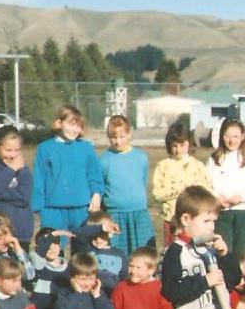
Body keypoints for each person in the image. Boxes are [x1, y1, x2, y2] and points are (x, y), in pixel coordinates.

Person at [31, 105, 104, 251]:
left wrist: (96, 194)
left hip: (81, 209)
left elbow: (94, 175)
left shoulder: (86, 148)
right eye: (71, 124)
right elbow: (39, 179)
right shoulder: (45, 148)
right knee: (51, 251)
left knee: (84, 251)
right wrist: (38, 207)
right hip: (52, 210)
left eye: (79, 126)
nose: (75, 130)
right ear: (59, 123)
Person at [205, 118, 245, 260]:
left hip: (244, 213)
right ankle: (225, 281)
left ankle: (240, 279)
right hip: (221, 212)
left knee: (241, 253)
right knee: (223, 251)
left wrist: (242, 197)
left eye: (235, 136)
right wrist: (217, 198)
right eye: (227, 136)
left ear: (243, 136)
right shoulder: (214, 159)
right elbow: (206, 185)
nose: (231, 140)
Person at [152, 119, 212, 247]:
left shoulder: (197, 166)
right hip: (171, 220)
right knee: (171, 252)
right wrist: (179, 190)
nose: (178, 149)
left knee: (195, 251)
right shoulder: (163, 166)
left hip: (194, 219)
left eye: (182, 145)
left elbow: (207, 191)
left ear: (188, 144)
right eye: (174, 145)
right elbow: (157, 194)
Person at [100, 115, 155, 254]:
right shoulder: (104, 160)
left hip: (139, 213)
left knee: (143, 253)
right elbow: (101, 189)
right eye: (113, 137)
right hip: (115, 215)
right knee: (117, 255)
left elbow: (143, 180)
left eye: (122, 136)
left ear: (129, 134)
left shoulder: (141, 156)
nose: (118, 141)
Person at [28, 228, 71, 309]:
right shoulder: (38, 265)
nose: (51, 248)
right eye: (47, 244)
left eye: (55, 243)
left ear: (60, 246)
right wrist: (55, 233)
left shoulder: (69, 267)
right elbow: (37, 254)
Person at [81, 210, 129, 292]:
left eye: (102, 235)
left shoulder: (119, 254)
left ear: (110, 234)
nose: (98, 239)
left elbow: (124, 274)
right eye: (94, 236)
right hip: (90, 292)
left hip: (113, 293)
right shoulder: (87, 251)